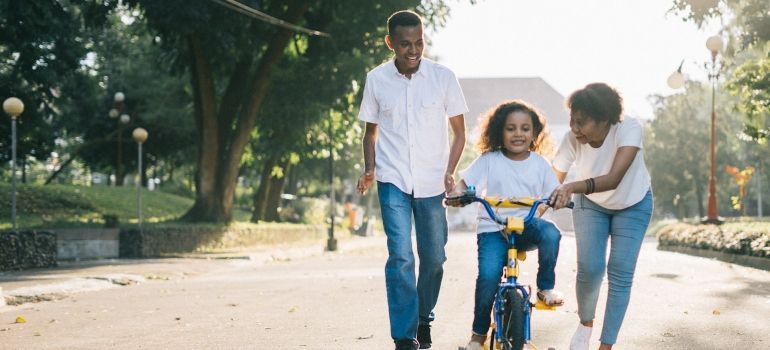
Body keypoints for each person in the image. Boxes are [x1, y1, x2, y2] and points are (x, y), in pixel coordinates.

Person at [355, 10, 468, 350]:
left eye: (419, 42)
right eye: (405, 44)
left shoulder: (443, 77)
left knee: (434, 259)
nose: (414, 50)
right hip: (392, 180)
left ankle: (423, 318)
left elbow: (460, 134)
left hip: (433, 182)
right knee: (401, 256)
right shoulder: (377, 80)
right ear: (391, 43)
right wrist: (369, 168)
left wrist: (450, 170)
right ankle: (405, 337)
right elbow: (369, 135)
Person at [448, 100, 564, 350]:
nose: (518, 134)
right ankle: (477, 336)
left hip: (527, 226)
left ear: (534, 133)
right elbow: (464, 184)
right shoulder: (489, 159)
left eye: (525, 128)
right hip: (493, 228)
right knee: (489, 276)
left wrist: (558, 198)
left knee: (551, 233)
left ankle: (545, 287)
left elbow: (553, 193)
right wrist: (458, 195)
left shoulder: (540, 164)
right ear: (500, 131)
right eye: (511, 128)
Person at [548, 83, 653, 350]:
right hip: (590, 204)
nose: (574, 128)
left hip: (633, 203)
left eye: (581, 122)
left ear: (605, 118)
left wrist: (571, 187)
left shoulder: (628, 128)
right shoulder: (573, 139)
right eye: (572, 120)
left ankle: (606, 346)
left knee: (620, 271)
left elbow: (614, 179)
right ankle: (585, 325)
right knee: (590, 269)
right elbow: (552, 181)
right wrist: (532, 211)